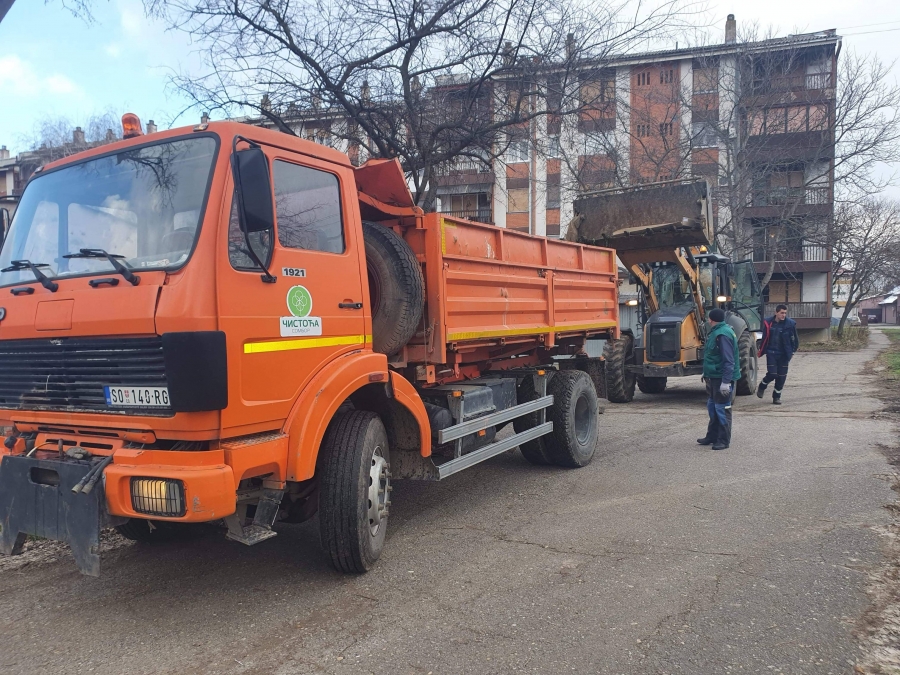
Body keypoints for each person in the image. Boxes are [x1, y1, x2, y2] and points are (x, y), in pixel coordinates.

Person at [698, 308, 741, 451]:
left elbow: (729, 360)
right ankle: (712, 436)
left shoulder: (722, 334)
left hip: (721, 378)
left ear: (711, 319)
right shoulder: (717, 332)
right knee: (713, 407)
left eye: (709, 319)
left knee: (722, 408)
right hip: (713, 377)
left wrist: (726, 382)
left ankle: (723, 440)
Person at [756, 304, 800, 405]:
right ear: (776, 312)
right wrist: (761, 349)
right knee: (772, 374)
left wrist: (792, 351)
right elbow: (764, 338)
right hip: (771, 352)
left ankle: (776, 397)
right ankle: (762, 385)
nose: (783, 315)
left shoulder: (790, 324)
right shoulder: (768, 323)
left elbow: (795, 340)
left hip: (784, 354)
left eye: (785, 313)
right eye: (781, 313)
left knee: (781, 377)